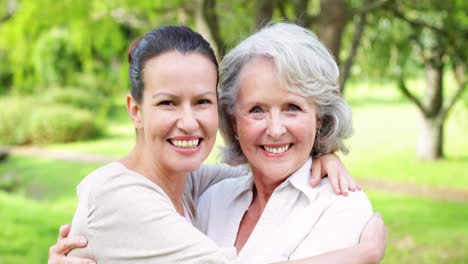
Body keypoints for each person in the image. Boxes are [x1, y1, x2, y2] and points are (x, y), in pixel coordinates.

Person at [48, 24, 386, 264]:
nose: (275, 128)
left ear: (321, 118)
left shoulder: (339, 206)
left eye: (293, 108)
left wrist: (324, 153)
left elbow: (258, 174)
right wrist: (361, 256)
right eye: (256, 109)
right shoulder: (127, 197)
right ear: (234, 120)